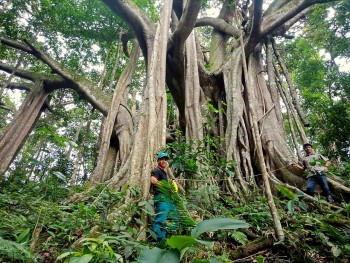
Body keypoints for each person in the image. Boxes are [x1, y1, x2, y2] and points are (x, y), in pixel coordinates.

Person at [150, 152, 179, 242]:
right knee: (159, 220)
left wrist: (173, 183)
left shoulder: (164, 173)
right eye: (162, 159)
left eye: (165, 159)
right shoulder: (157, 170)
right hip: (161, 198)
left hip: (168, 200)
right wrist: (166, 186)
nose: (164, 161)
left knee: (175, 219)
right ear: (158, 160)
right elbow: (153, 180)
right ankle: (159, 240)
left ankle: (162, 236)